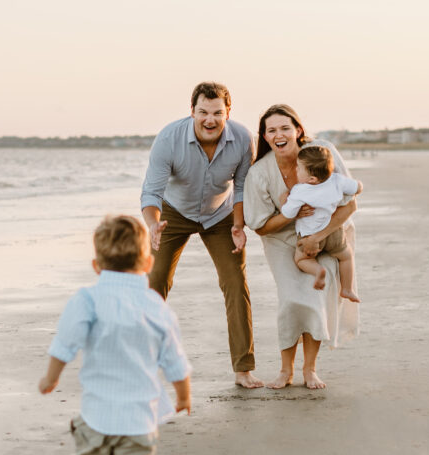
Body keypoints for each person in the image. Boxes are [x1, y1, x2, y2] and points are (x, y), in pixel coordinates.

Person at [38, 215, 191, 455]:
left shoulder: (87, 300)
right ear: (148, 262)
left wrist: (50, 378)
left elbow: (65, 343)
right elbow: (175, 360)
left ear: (96, 265)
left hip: (96, 416)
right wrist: (183, 396)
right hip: (139, 418)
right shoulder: (157, 307)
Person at [141, 82, 263, 388]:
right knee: (155, 282)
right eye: (203, 112)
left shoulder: (244, 139)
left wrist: (238, 225)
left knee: (236, 283)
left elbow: (242, 187)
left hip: (220, 216)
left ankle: (243, 369)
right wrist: (152, 225)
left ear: (228, 112)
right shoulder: (169, 138)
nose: (210, 120)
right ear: (192, 111)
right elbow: (152, 192)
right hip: (173, 214)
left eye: (217, 113)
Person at [242, 105, 359, 391]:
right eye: (271, 130)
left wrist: (319, 236)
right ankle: (285, 371)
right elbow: (259, 226)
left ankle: (310, 370)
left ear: (298, 130)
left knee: (315, 296)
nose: (279, 135)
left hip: (329, 233)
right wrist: (290, 215)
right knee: (292, 298)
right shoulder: (259, 173)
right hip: (281, 239)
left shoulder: (321, 153)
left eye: (285, 128)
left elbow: (350, 204)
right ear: (265, 137)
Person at [279, 144, 363, 301]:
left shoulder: (299, 191)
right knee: (346, 256)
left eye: (298, 168)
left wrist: (284, 200)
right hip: (333, 233)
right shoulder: (337, 180)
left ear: (311, 179)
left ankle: (318, 271)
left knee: (301, 259)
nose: (295, 170)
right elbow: (357, 188)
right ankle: (347, 289)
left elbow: (288, 213)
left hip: (308, 235)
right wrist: (358, 185)